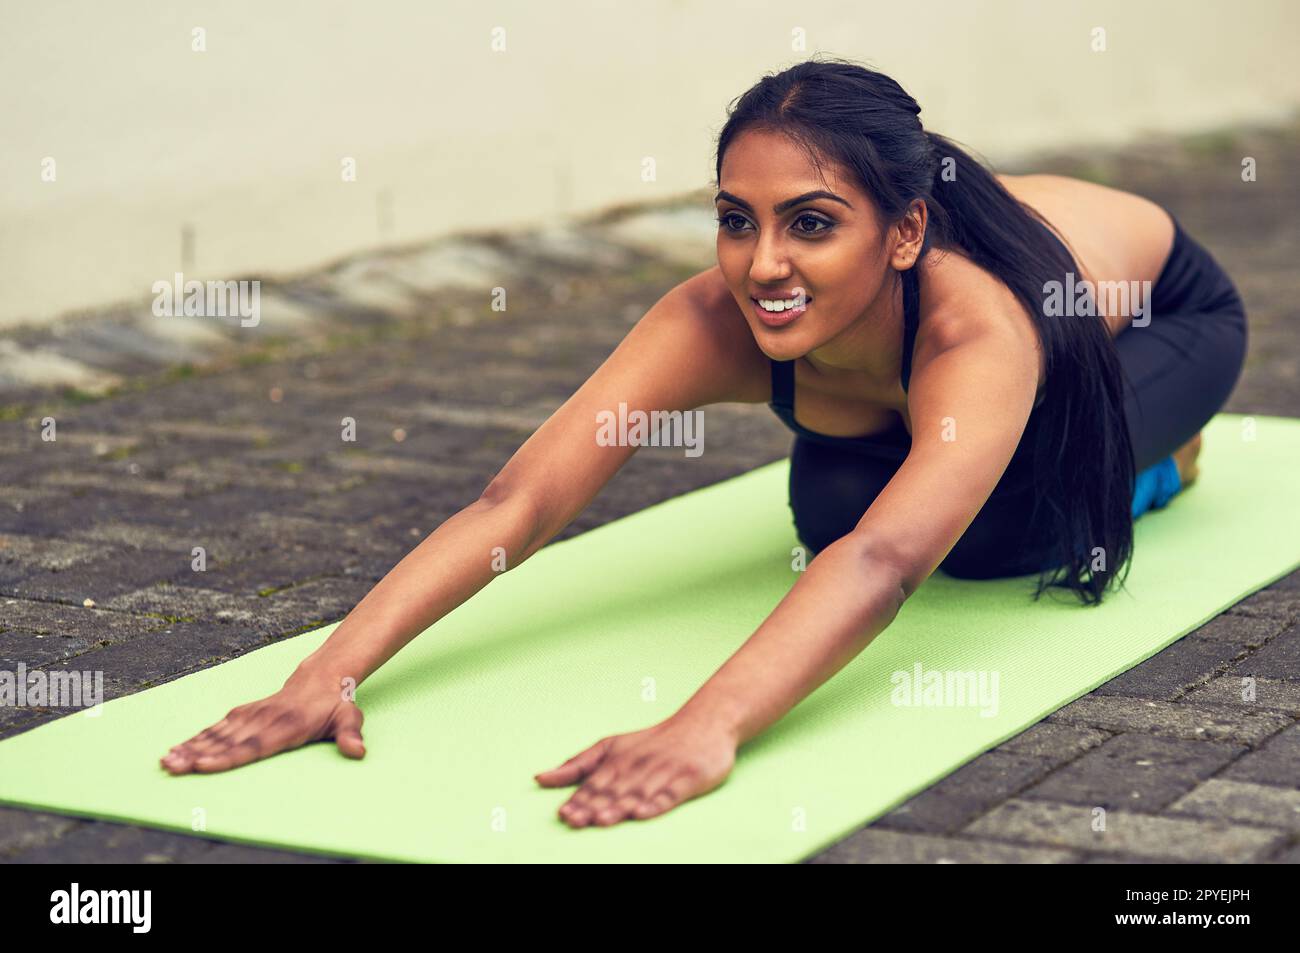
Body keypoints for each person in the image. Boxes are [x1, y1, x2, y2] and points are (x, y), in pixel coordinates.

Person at [160, 57, 1248, 831]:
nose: (761, 262)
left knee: (996, 532)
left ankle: (1166, 458)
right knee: (823, 516)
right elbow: (517, 503)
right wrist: (326, 673)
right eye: (737, 218)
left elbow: (883, 563)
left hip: (1166, 319)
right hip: (913, 377)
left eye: (810, 223)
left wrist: (706, 723)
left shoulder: (976, 325)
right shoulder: (710, 318)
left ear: (903, 231)